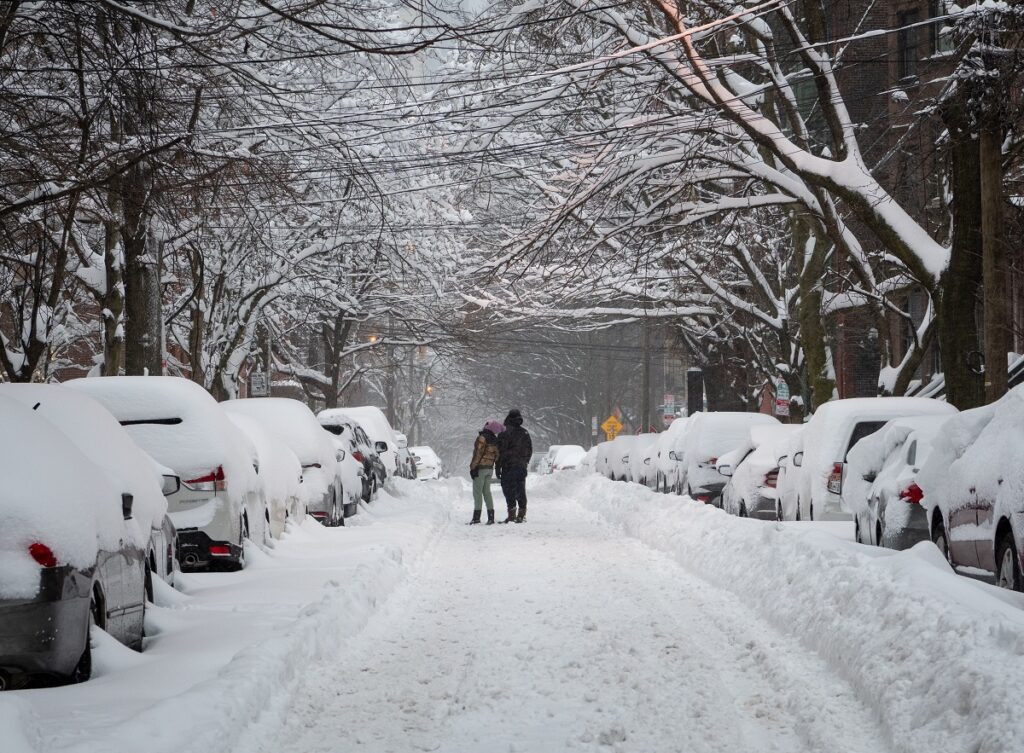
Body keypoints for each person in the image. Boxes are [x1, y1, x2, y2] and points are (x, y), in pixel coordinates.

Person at [496, 408, 532, 523]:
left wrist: (498, 467)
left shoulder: (503, 433)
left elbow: (499, 452)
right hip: (520, 466)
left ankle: (511, 513)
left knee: (508, 490)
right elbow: (529, 450)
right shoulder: (524, 433)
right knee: (520, 489)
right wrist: (525, 462)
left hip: (507, 466)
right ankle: (521, 514)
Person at [469, 420, 503, 524]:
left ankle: (476, 518)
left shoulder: (482, 438)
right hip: (489, 469)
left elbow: (478, 454)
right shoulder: (496, 440)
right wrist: (497, 469)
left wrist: (473, 468)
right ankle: (491, 517)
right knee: (487, 493)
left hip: (480, 468)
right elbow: (498, 456)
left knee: (477, 493)